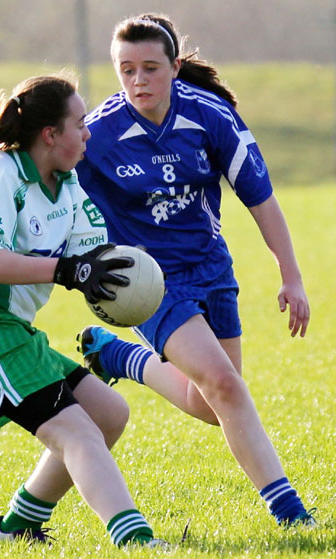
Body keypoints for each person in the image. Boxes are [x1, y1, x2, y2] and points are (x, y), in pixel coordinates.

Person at [75, 13, 315, 527]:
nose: (138, 81)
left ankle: (120, 359)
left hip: (211, 265)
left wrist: (290, 276)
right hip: (142, 281)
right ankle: (291, 511)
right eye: (126, 70)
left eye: (150, 69)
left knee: (212, 402)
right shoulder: (98, 134)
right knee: (226, 387)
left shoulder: (211, 116)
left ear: (175, 67)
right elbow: (35, 178)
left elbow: (262, 200)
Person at [0, 75, 168, 548]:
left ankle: (16, 527)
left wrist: (136, 278)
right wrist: (66, 271)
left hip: (5, 329)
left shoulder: (67, 185)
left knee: (107, 413)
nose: (88, 133)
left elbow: (94, 259)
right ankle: (138, 542)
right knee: (76, 432)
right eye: (79, 123)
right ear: (51, 134)